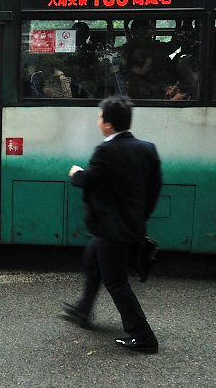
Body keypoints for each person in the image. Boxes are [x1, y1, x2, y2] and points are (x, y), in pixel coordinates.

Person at [61, 96, 162, 354]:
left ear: (108, 123)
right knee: (92, 258)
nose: (98, 121)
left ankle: (143, 335)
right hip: (128, 225)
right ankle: (83, 309)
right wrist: (139, 217)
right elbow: (154, 188)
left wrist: (75, 173)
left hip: (110, 228)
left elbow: (88, 180)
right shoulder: (146, 148)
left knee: (116, 282)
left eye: (99, 116)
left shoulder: (106, 150)